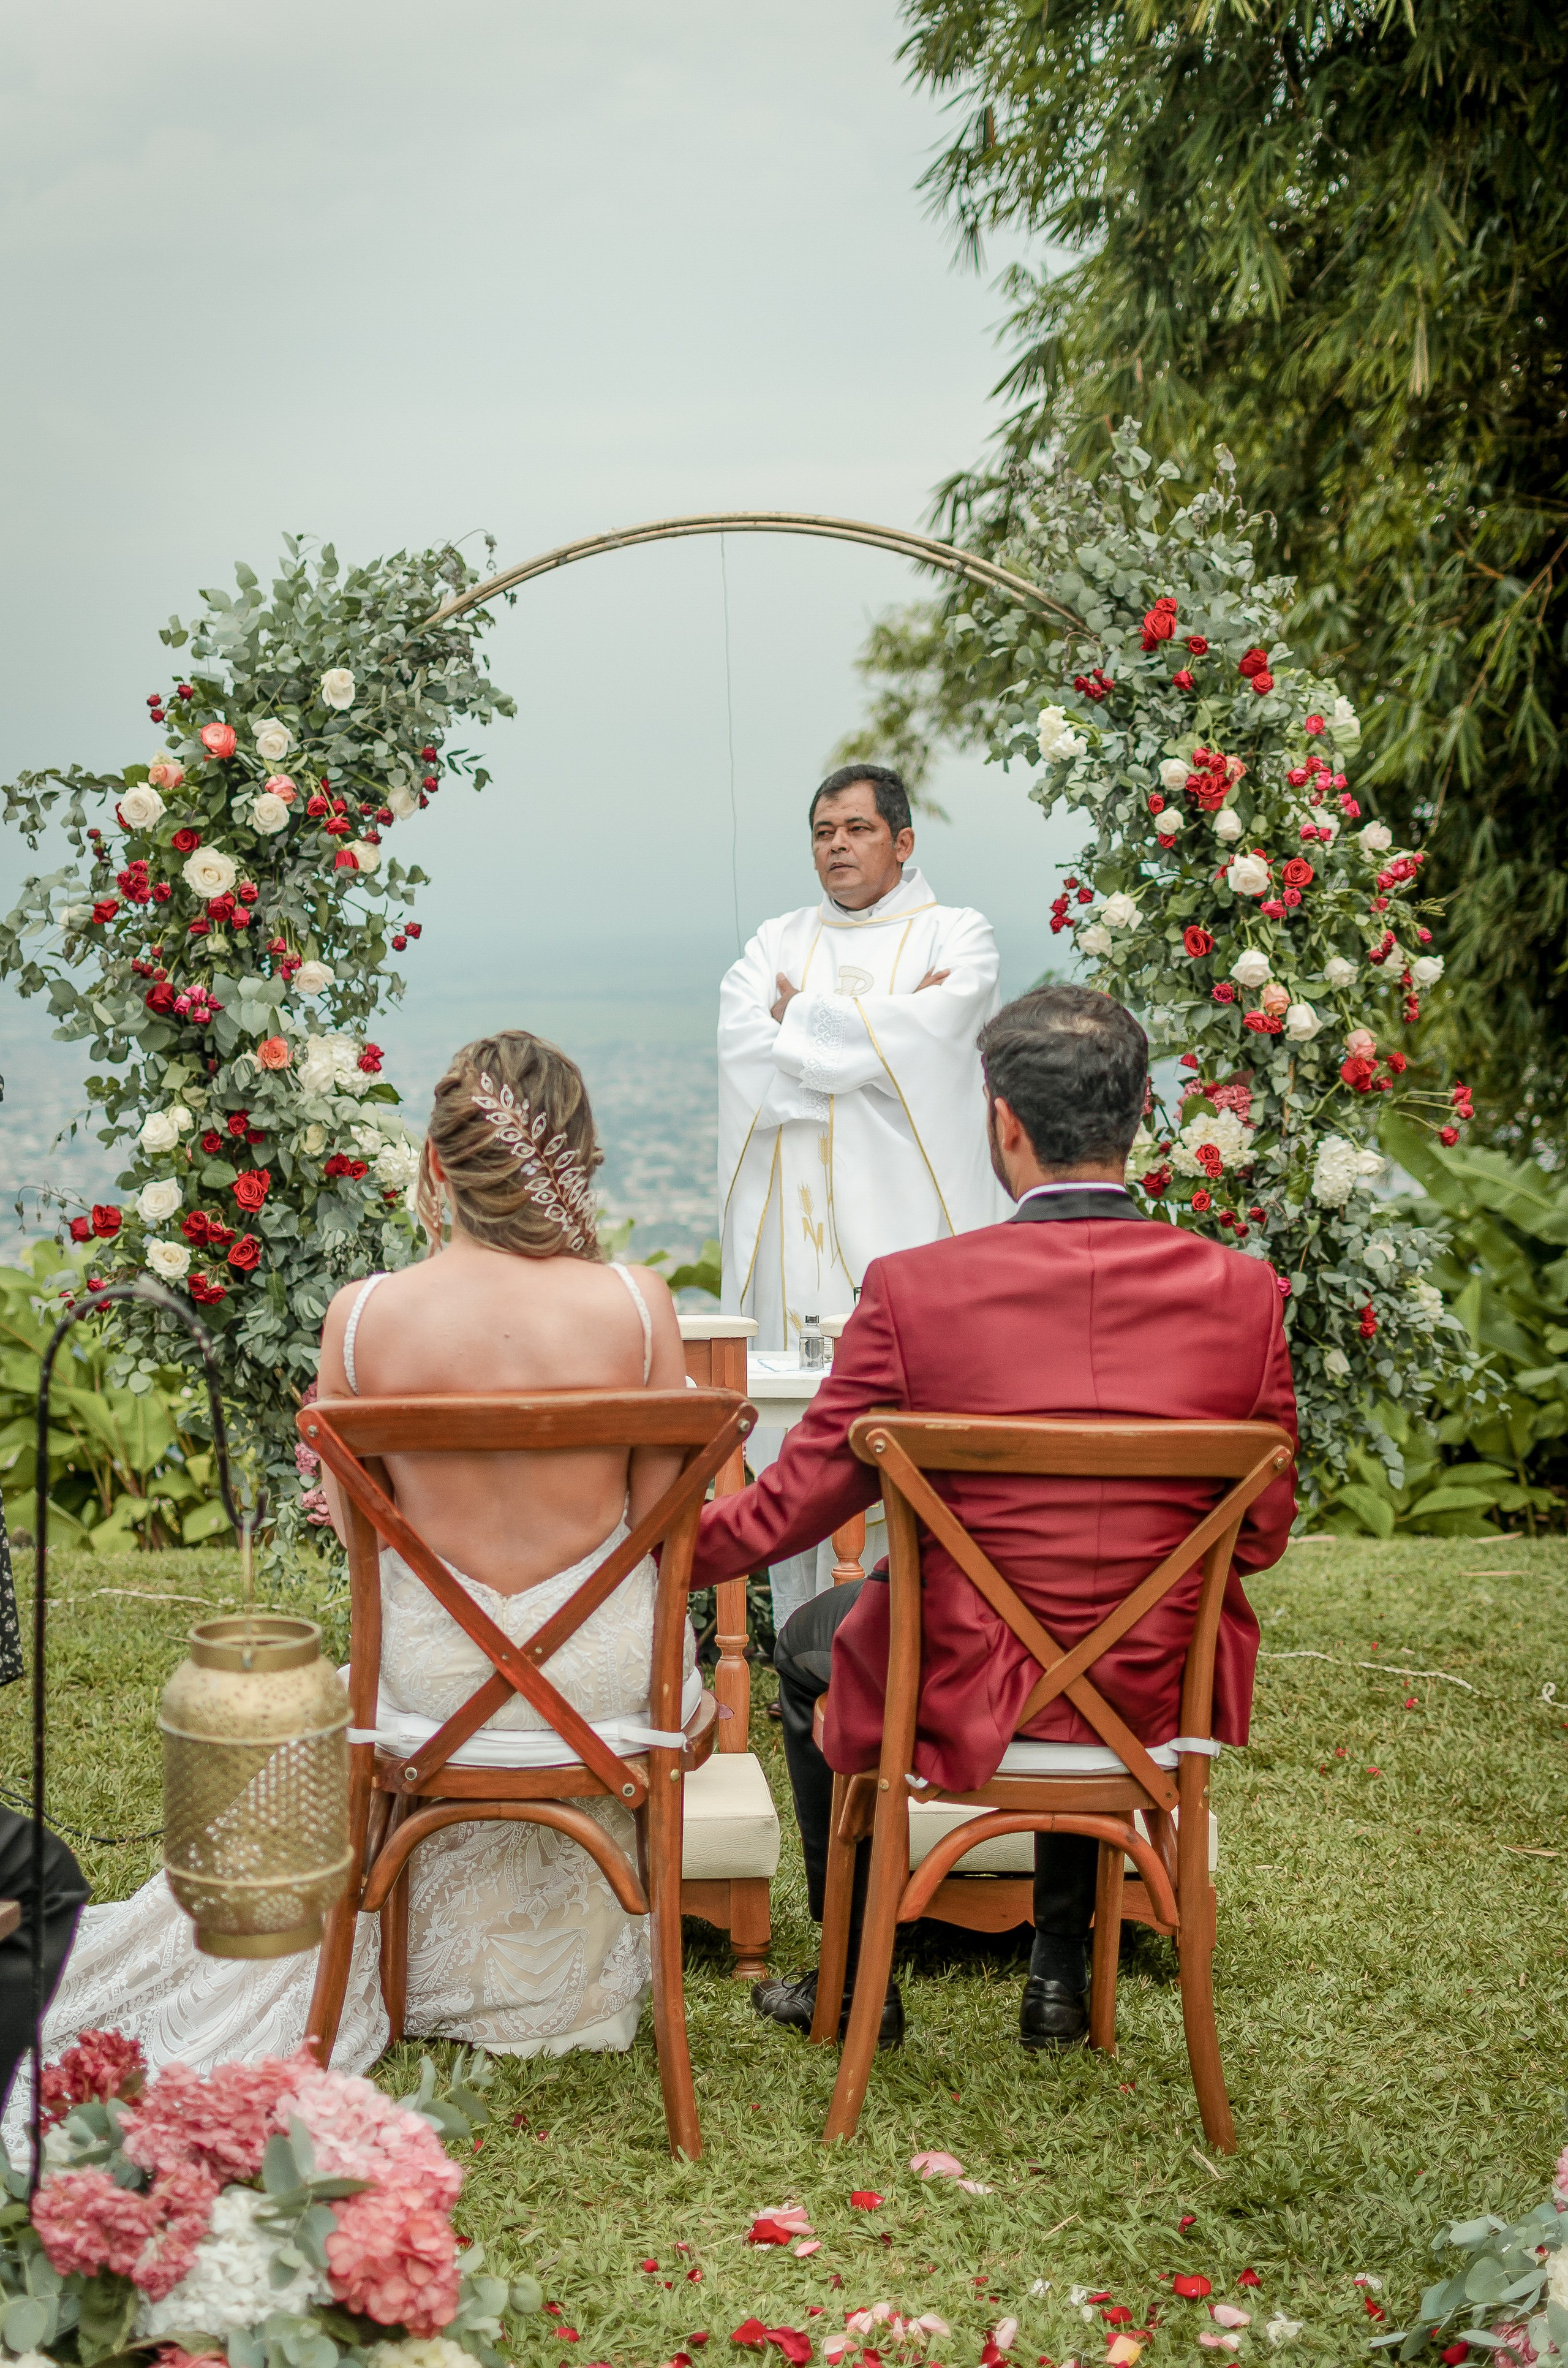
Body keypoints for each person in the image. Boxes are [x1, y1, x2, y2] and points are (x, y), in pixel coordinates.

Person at [13, 1031, 691, 2096]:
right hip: (604, 1684)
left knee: (348, 1702)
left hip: (425, 1684)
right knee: (625, 1666)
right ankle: (540, 1988)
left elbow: (354, 1522)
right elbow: (657, 1525)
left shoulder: (365, 1316)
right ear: (575, 1157)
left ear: (437, 1165)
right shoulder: (640, 1306)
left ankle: (395, 1959)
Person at [690, 983, 1297, 2052]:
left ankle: (855, 1982)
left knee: (809, 1642)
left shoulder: (914, 1292)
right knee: (1090, 1619)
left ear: (1003, 1121)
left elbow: (789, 1507)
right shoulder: (1245, 1294)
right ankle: (1057, 1976)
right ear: (1139, 1112)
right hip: (1154, 1685)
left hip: (962, 1679)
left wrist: (645, 1545)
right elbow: (1262, 1534)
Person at [717, 763, 1011, 1627]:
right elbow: (745, 1044)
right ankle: (801, 1637)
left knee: (908, 1420)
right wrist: (884, 1038)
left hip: (907, 1221)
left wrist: (799, 1020)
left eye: (857, 829)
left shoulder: (959, 936)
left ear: (903, 841)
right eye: (823, 832)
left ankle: (917, 1629)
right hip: (796, 1232)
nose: (836, 846)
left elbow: (940, 1034)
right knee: (801, 1435)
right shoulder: (775, 941)